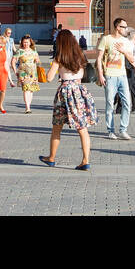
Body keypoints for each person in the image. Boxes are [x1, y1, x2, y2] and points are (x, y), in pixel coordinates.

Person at [37, 29, 97, 170]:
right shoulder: (81, 56)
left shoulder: (59, 57)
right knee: (82, 128)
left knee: (57, 127)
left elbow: (49, 78)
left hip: (65, 92)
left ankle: (51, 157)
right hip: (79, 91)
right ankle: (85, 160)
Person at [96, 18, 135, 140]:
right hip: (110, 76)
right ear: (117, 27)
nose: (126, 29)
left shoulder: (126, 41)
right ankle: (111, 130)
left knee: (127, 103)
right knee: (109, 104)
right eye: (124, 27)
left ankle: (123, 130)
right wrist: (101, 75)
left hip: (122, 75)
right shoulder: (106, 39)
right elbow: (99, 58)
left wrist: (124, 51)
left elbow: (132, 60)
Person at [13, 35, 41, 113]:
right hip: (23, 73)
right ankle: (27, 107)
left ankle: (29, 105)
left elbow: (38, 60)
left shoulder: (33, 51)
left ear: (30, 42)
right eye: (24, 42)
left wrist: (37, 60)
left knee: (31, 90)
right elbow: (13, 61)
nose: (26, 44)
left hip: (33, 73)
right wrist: (15, 71)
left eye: (27, 42)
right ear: (22, 43)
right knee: (26, 89)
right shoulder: (20, 51)